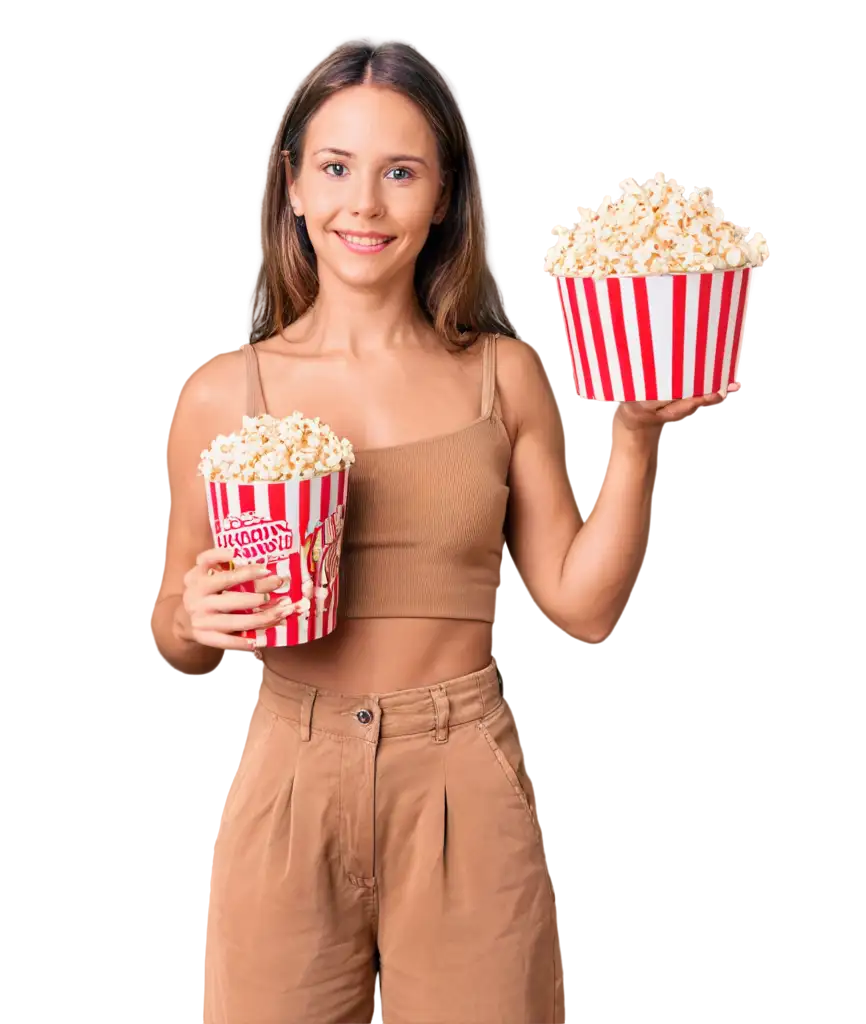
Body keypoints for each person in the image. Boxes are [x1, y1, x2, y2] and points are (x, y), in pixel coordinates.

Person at [150, 39, 727, 1024]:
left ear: (442, 193)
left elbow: (581, 608)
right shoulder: (221, 392)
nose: (363, 205)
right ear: (292, 186)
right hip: (290, 774)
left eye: (399, 172)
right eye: (335, 168)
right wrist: (193, 616)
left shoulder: (499, 375)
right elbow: (172, 624)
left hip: (461, 773)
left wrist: (631, 439)